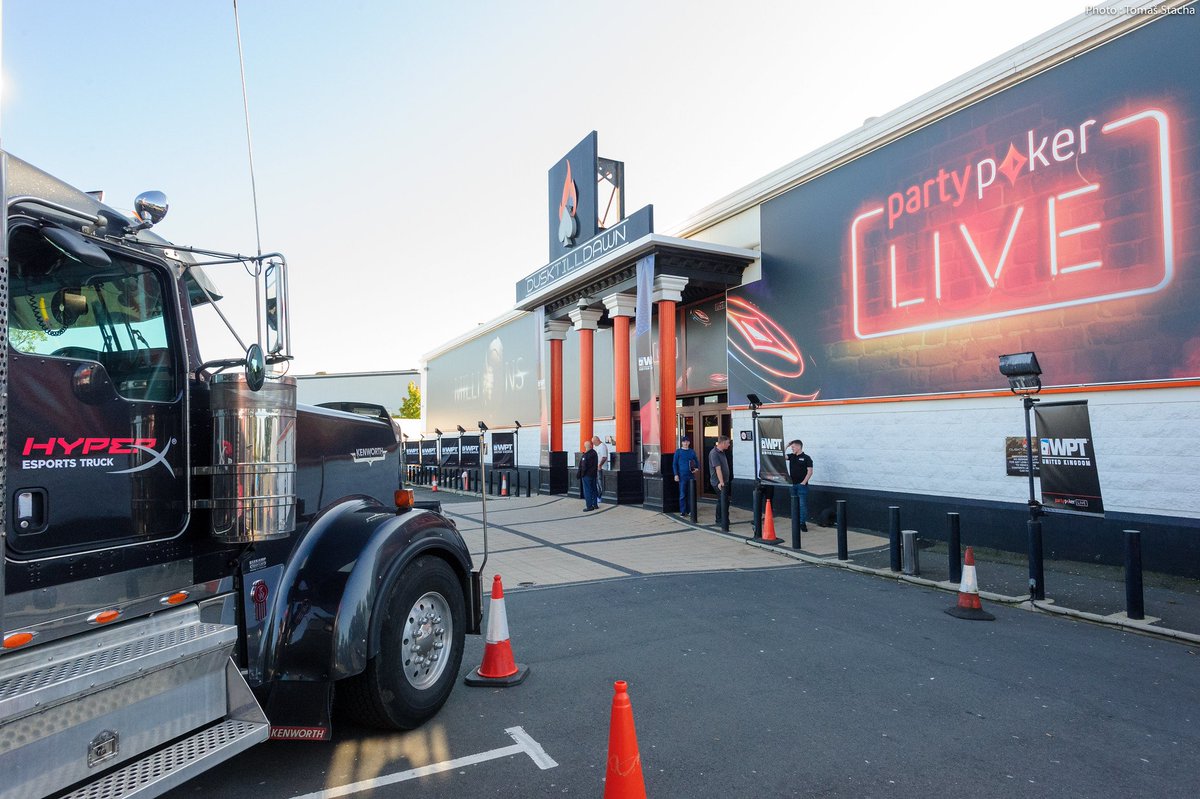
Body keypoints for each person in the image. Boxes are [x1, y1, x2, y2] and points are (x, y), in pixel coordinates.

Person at [786, 439, 814, 532]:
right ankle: (796, 522)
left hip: (802, 485)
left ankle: (802, 523)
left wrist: (803, 482)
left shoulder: (807, 458)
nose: (792, 449)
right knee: (794, 504)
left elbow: (810, 472)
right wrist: (787, 445)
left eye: (793, 447)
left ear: (798, 447)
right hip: (792, 484)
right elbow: (779, 455)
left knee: (802, 505)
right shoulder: (791, 456)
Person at [672, 436, 700, 515]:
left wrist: (697, 468)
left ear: (689, 443)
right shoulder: (678, 452)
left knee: (690, 494)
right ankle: (683, 511)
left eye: (687, 441)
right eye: (684, 442)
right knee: (682, 494)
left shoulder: (692, 451)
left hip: (691, 475)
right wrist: (676, 474)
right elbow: (674, 464)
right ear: (682, 443)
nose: (686, 443)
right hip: (682, 476)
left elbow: (696, 461)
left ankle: (690, 510)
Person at [708, 435, 732, 524]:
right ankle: (720, 519)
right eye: (728, 443)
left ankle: (724, 518)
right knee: (723, 500)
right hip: (718, 482)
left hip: (725, 481)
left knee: (723, 500)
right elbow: (718, 469)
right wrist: (721, 482)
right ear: (722, 443)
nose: (729, 445)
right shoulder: (714, 453)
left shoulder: (722, 452)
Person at [579, 439, 599, 511]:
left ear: (585, 446)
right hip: (593, 474)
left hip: (587, 475)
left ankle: (589, 506)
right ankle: (595, 504)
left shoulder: (586, 455)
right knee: (594, 489)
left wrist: (582, 474)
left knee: (587, 490)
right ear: (591, 445)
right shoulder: (594, 453)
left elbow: (583, 467)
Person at [591, 435, 608, 505]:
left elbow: (604, 457)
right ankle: (597, 496)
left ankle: (600, 497)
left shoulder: (602, 446)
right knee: (597, 483)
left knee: (600, 483)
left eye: (594, 442)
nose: (593, 444)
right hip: (596, 467)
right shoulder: (597, 446)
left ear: (597, 440)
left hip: (601, 468)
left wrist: (600, 465)